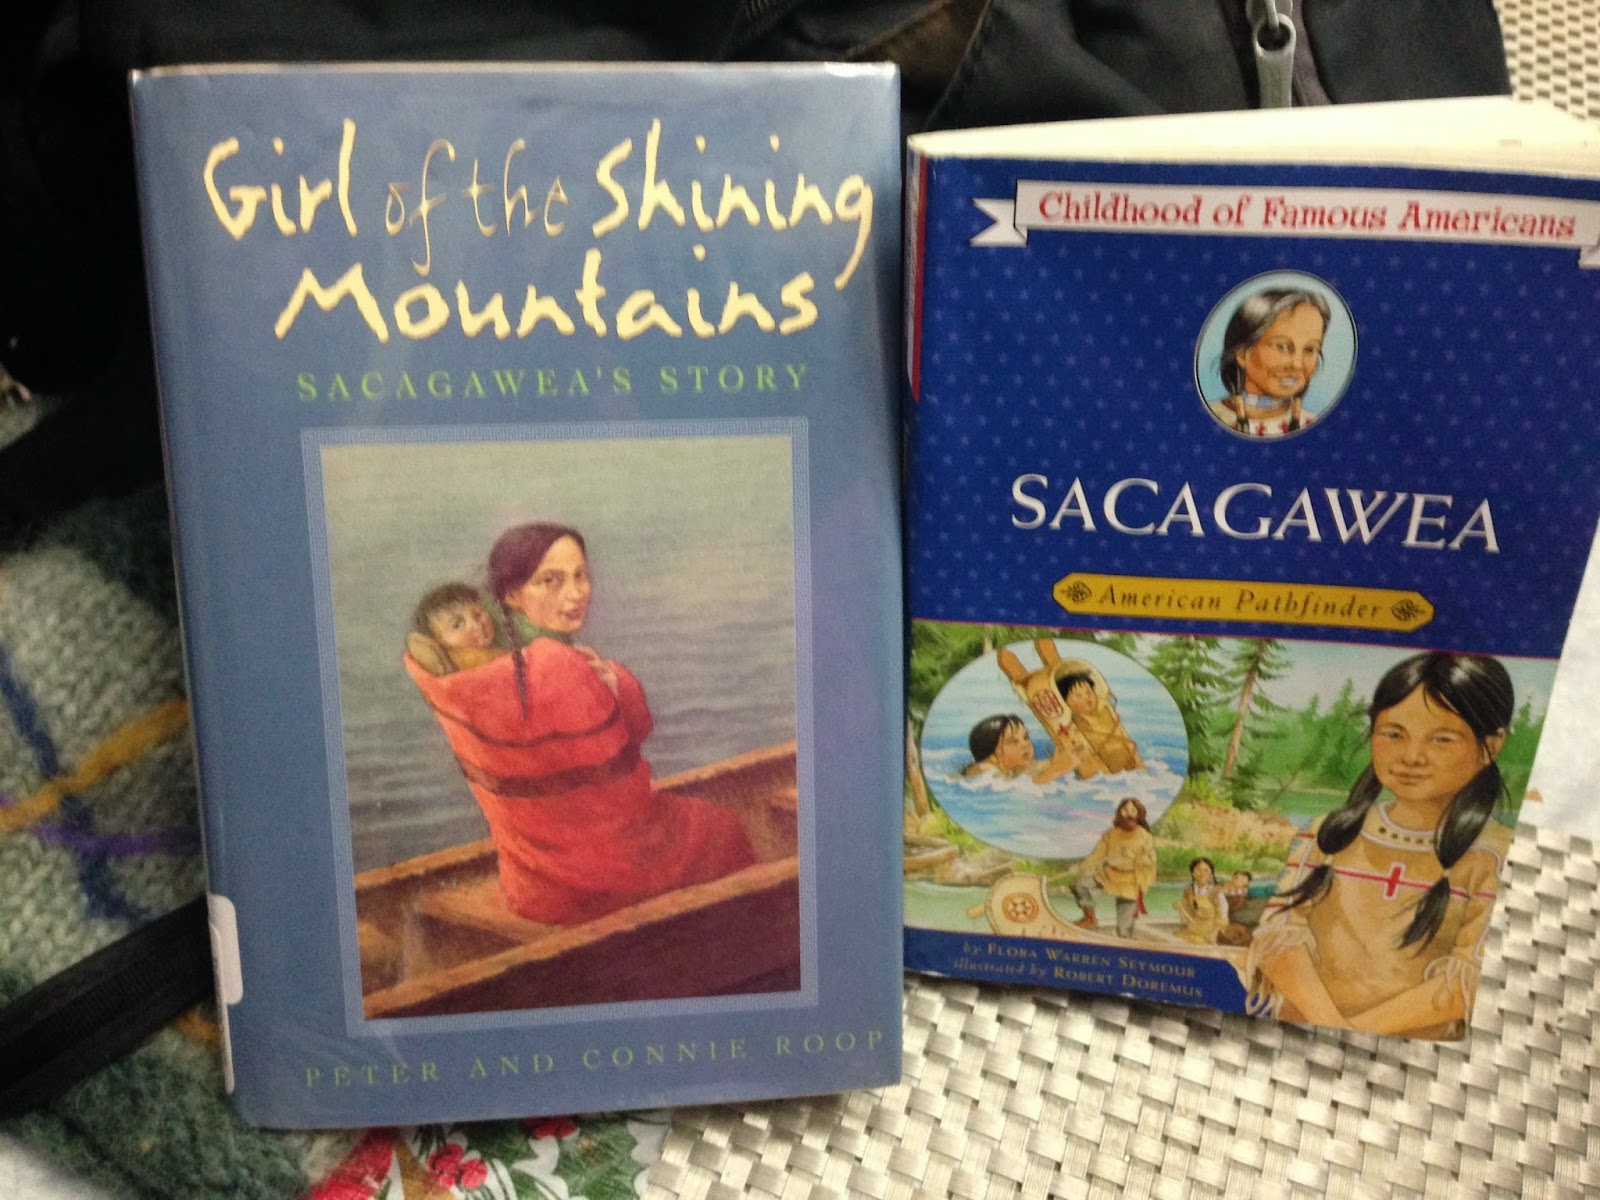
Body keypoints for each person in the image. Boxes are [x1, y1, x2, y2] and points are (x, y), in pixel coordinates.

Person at [403, 522, 757, 924]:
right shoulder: (554, 665)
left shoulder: (453, 682)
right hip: (600, 877)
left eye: (580, 575)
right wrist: (615, 684)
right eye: (551, 581)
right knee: (723, 828)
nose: (575, 594)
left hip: (530, 881)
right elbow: (624, 780)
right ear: (511, 595)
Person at [1247, 652, 1515, 1039]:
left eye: (1441, 739)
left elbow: (1468, 980)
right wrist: (1333, 1027)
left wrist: (1351, 1036)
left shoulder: (1496, 855)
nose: (1412, 756)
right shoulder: (1328, 833)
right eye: (1393, 734)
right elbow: (1278, 937)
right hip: (1299, 1034)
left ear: (1491, 745)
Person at [1207, 288, 1330, 438]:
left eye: (1310, 349)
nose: (1297, 364)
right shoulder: (1210, 420)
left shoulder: (1314, 426)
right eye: (1282, 346)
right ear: (1242, 353)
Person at [1071, 797, 1157, 937]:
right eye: (1125, 810)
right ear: (1119, 812)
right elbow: (1097, 855)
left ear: (1138, 814)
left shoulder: (1144, 837)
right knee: (1079, 885)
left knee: (1123, 931)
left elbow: (1151, 861)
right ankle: (1090, 918)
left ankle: (1124, 937)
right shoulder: (1111, 834)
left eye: (1132, 810)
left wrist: (1136, 858)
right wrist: (1081, 866)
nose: (1128, 814)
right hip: (1108, 876)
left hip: (1130, 882)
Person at [405, 582, 507, 675]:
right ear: (439, 640)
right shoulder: (461, 663)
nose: (476, 625)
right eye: (457, 625)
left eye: (478, 615)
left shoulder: (500, 644)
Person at [1057, 671, 1142, 774]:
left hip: (1127, 759)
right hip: (1104, 766)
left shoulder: (1105, 710)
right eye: (1079, 696)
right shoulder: (1074, 724)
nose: (1087, 697)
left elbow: (1122, 734)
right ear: (1066, 702)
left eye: (1089, 692)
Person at [1175, 857, 1230, 945]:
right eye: (1198, 870)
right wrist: (1182, 907)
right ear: (1193, 873)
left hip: (1211, 931)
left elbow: (1223, 915)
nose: (1202, 873)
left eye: (1206, 870)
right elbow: (1189, 913)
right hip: (1194, 929)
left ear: (1211, 873)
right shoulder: (1188, 891)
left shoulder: (1216, 891)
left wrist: (1215, 934)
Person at [962, 714, 1037, 778]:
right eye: (1013, 741)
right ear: (992, 755)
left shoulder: (1013, 771)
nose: (1025, 744)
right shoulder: (986, 769)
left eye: (1026, 738)